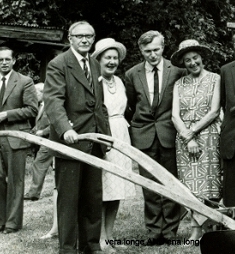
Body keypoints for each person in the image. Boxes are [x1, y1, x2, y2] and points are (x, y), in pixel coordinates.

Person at [44, 21, 110, 254]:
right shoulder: (59, 64)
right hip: (70, 142)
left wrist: (106, 136)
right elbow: (53, 101)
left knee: (92, 199)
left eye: (89, 36)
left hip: (94, 142)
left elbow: (99, 105)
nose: (85, 40)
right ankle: (69, 249)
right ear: (70, 38)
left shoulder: (93, 63)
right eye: (79, 36)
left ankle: (91, 246)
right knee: (69, 202)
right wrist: (65, 129)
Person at [125, 30, 183, 245]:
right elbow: (130, 106)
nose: (152, 54)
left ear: (163, 47)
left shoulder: (176, 71)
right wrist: (139, 127)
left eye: (156, 50)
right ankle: (153, 231)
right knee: (148, 185)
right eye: (147, 51)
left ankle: (169, 232)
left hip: (169, 133)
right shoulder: (132, 74)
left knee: (170, 182)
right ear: (141, 50)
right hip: (143, 135)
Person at [171, 39, 222, 239]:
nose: (192, 63)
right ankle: (195, 230)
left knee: (210, 183)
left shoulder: (215, 79)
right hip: (184, 138)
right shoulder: (179, 83)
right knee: (190, 186)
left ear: (202, 58)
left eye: (195, 58)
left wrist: (192, 132)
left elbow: (214, 111)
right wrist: (187, 137)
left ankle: (211, 228)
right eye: (187, 60)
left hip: (209, 135)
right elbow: (175, 115)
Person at [92, 38, 136, 252]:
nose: (111, 61)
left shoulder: (119, 81)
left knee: (117, 188)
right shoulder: (93, 80)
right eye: (107, 57)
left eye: (115, 57)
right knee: (103, 189)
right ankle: (99, 238)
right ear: (98, 59)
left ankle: (109, 236)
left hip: (121, 133)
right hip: (103, 134)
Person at [0, 46, 38, 234]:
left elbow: (32, 110)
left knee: (16, 180)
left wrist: (7, 114)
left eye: (7, 59)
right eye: (0, 60)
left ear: (14, 61)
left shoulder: (25, 81)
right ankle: (1, 220)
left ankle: (12, 223)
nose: (4, 63)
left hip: (15, 136)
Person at [220, 29, 235, 207]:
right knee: (232, 188)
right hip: (232, 138)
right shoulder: (226, 70)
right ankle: (234, 229)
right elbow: (222, 103)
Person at [24, 82, 53, 201]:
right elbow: (40, 124)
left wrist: (42, 132)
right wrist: (34, 130)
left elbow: (55, 124)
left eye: (35, 93)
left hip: (51, 141)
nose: (33, 96)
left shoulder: (51, 105)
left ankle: (34, 193)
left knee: (38, 163)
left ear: (42, 92)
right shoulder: (41, 105)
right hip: (45, 141)